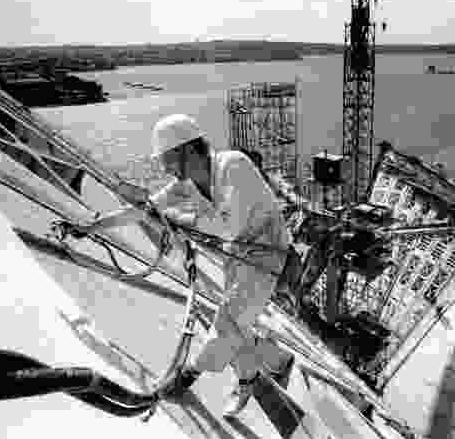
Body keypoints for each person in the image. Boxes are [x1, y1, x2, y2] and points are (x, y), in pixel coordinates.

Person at [73, 113, 295, 417]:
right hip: (238, 255)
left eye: (167, 159)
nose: (164, 168)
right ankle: (276, 359)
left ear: (187, 150)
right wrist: (93, 226)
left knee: (227, 321)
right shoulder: (188, 183)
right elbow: (145, 209)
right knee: (234, 321)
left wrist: (174, 220)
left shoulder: (233, 165)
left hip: (268, 254)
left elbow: (228, 226)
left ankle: (199, 375)